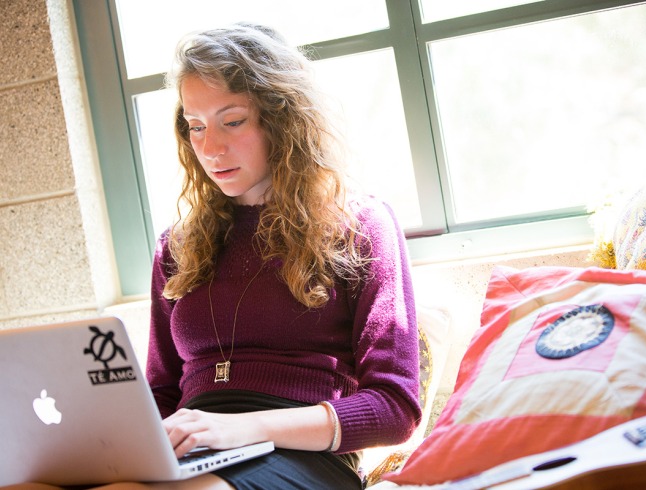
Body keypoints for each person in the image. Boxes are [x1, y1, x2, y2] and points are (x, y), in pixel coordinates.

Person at [4, 21, 420, 490]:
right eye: (195, 125)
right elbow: (160, 394)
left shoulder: (360, 225)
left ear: (282, 118)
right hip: (192, 449)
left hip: (301, 455)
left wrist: (245, 427)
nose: (209, 147)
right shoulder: (178, 246)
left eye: (233, 121)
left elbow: (394, 406)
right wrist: (114, 449)